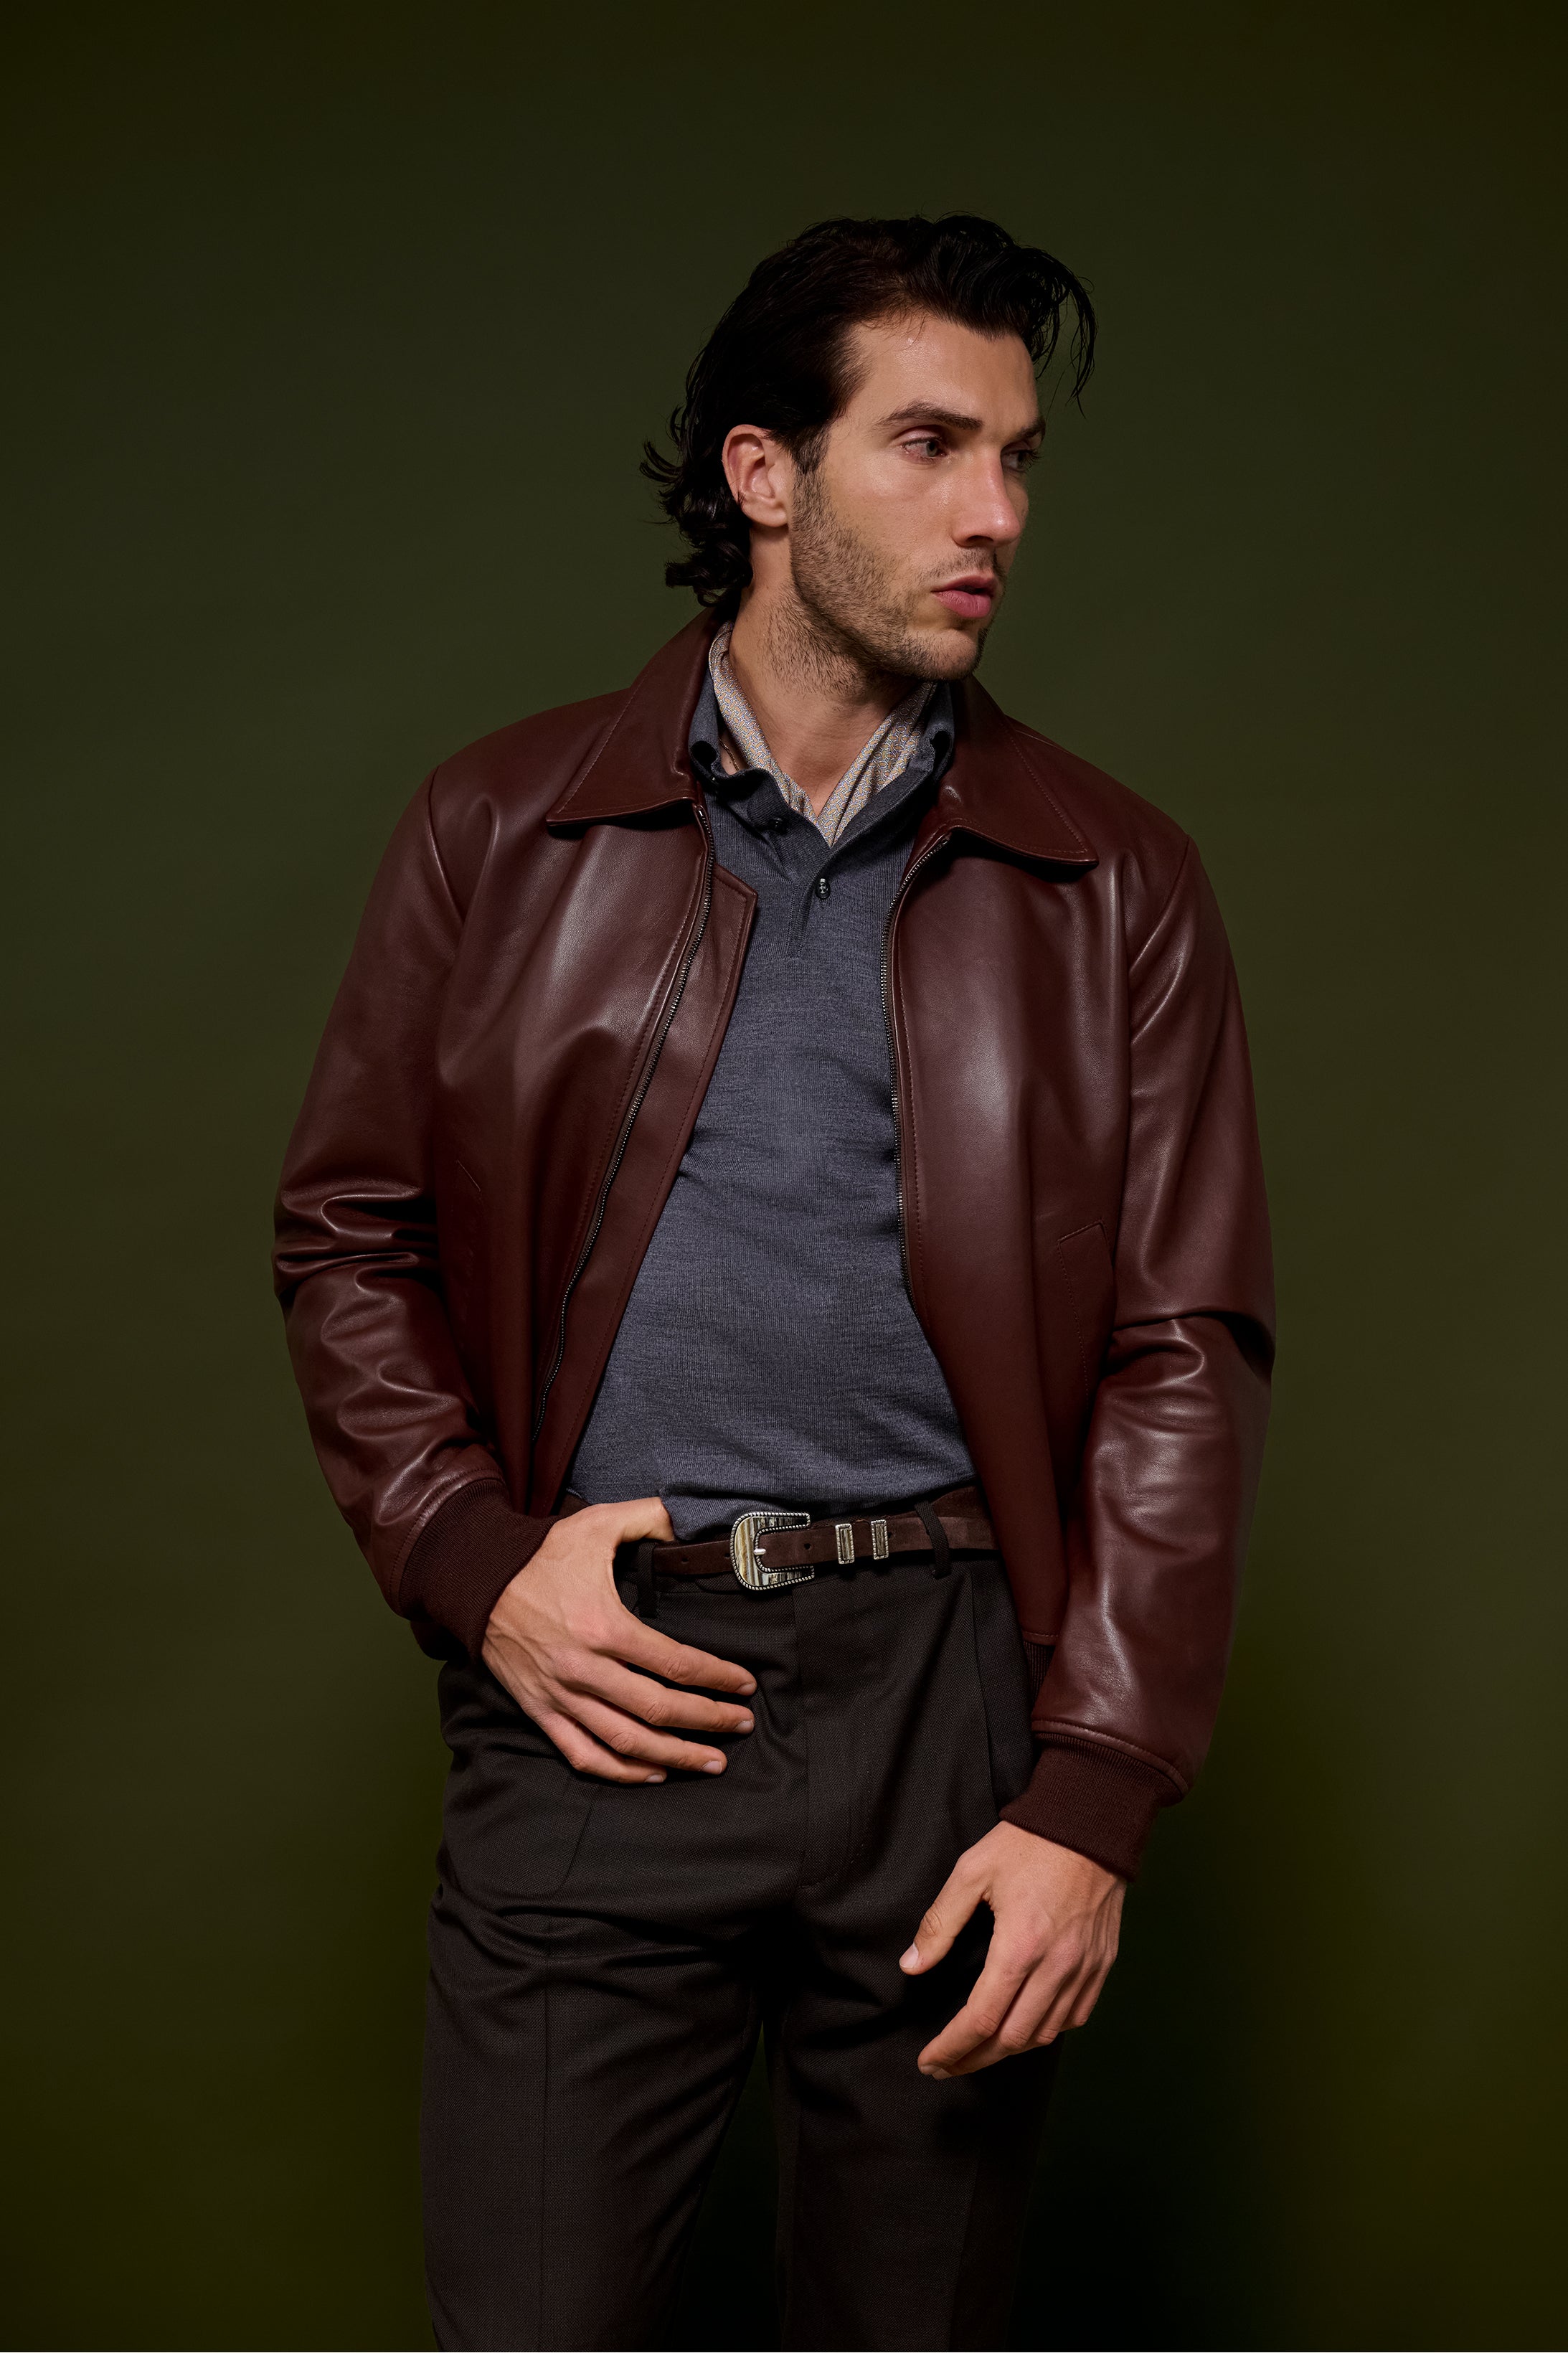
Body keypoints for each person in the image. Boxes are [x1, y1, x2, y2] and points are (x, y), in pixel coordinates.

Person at [274, 212, 1273, 2352]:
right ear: (763, 474)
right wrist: (471, 1560)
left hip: (952, 1708)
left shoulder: (1115, 880)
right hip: (601, 1676)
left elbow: (1183, 1351)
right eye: (929, 443)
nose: (996, 512)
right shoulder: (501, 830)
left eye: (1015, 457)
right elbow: (349, 1230)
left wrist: (1092, 1794)